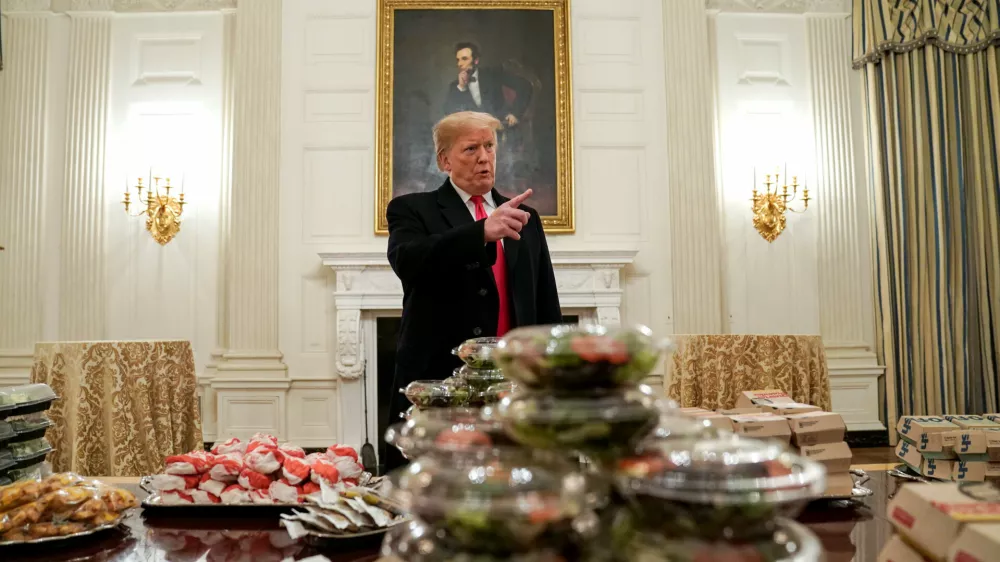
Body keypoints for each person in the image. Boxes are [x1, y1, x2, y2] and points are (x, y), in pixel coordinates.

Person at [384, 111, 562, 471]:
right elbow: (409, 261)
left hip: (513, 387)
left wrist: (553, 377)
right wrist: (480, 231)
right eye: (470, 149)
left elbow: (545, 302)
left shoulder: (524, 217)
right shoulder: (412, 209)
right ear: (444, 159)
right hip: (440, 383)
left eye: (489, 146)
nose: (484, 157)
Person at [442, 42, 533, 127]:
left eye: (464, 59)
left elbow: (525, 86)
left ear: (476, 61)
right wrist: (461, 88)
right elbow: (449, 114)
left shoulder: (492, 74)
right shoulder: (455, 86)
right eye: (458, 60)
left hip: (499, 129)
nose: (460, 64)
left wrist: (515, 114)